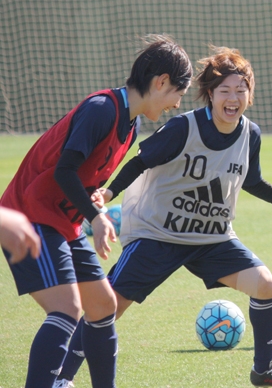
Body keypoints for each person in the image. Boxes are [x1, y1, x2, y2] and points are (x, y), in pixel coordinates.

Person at [56, 46, 272, 388]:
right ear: (210, 95)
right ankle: (61, 378)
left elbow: (252, 181)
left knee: (265, 285)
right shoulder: (183, 128)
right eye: (224, 90)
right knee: (106, 307)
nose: (233, 98)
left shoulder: (250, 134)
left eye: (240, 91)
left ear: (250, 95)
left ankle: (264, 371)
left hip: (212, 240)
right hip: (158, 235)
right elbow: (140, 162)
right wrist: (109, 193)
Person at [0, 34, 192, 388]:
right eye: (178, 94)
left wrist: (94, 199)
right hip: (29, 215)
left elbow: (79, 176)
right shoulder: (102, 109)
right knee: (67, 310)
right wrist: (96, 217)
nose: (176, 104)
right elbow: (63, 170)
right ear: (161, 82)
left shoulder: (130, 127)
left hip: (63, 221)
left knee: (102, 306)